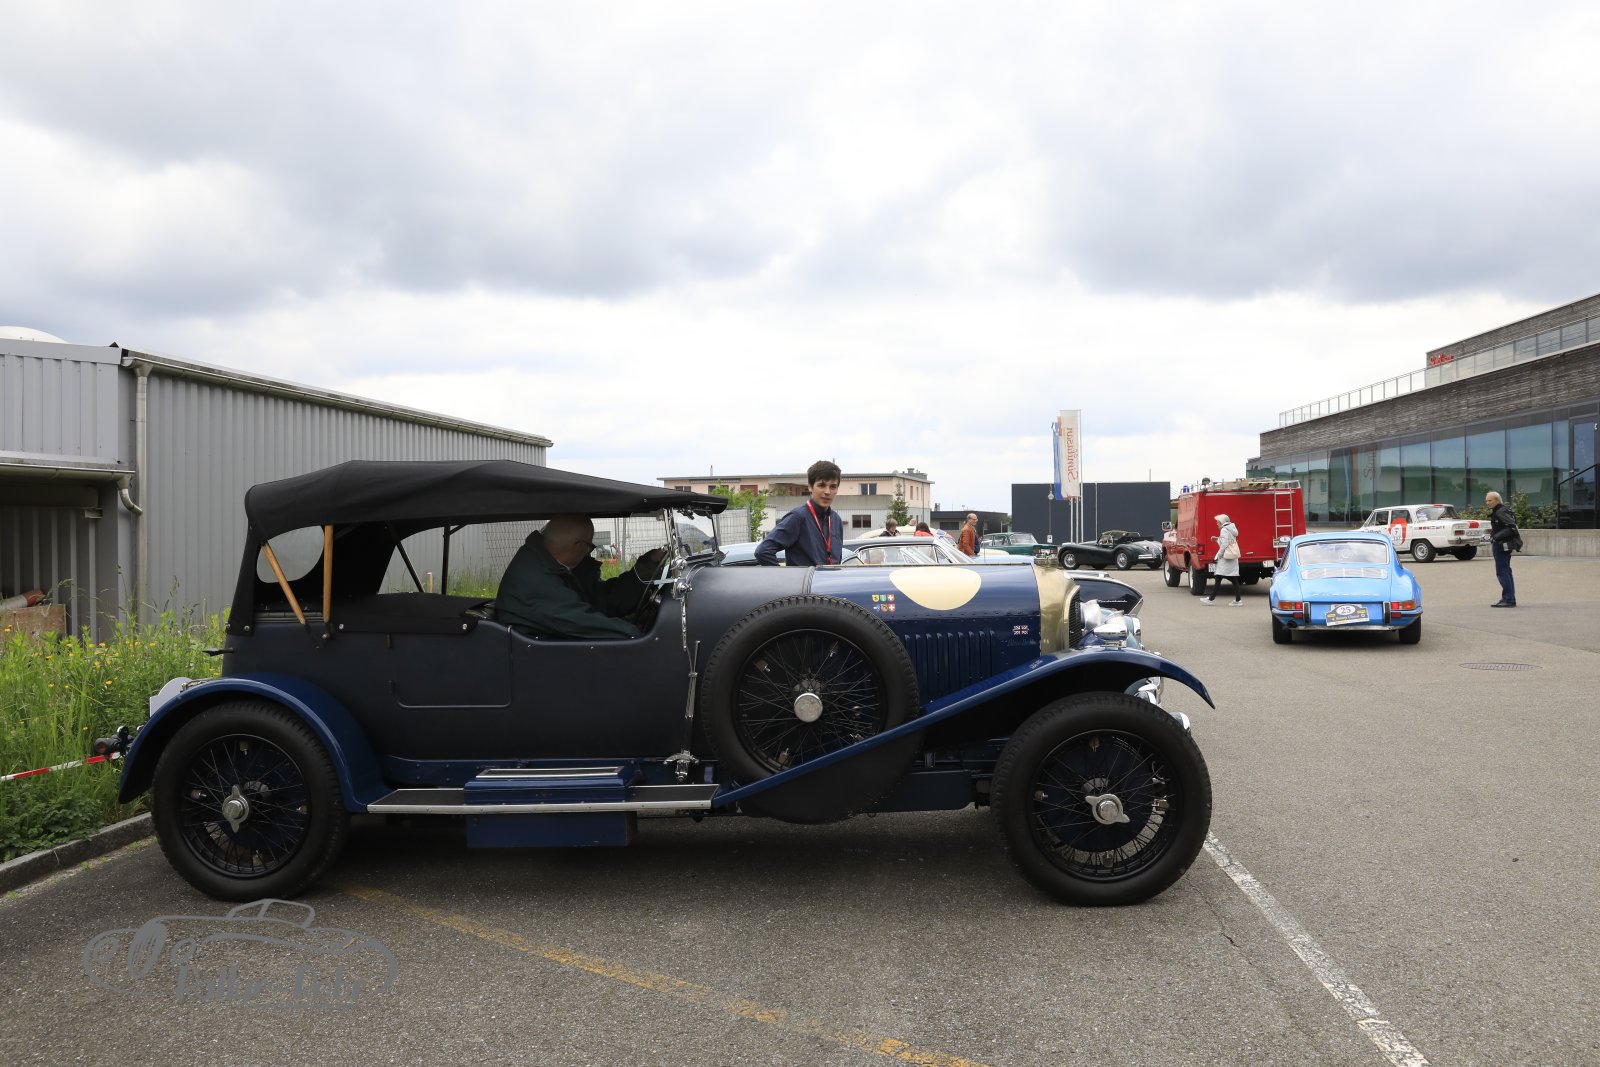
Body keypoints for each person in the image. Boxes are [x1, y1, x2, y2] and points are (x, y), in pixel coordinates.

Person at [496, 514, 663, 638]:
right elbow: (580, 621)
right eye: (589, 547)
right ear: (578, 546)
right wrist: (640, 635)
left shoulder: (555, 568)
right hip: (538, 658)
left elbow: (602, 598)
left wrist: (648, 567)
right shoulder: (536, 579)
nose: (588, 553)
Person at [755, 460, 845, 567]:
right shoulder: (798, 517)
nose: (827, 492)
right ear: (810, 487)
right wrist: (784, 576)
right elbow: (763, 551)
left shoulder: (836, 520)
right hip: (805, 578)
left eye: (833, 487)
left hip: (830, 578)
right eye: (821, 485)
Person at [1485, 490, 1518, 607]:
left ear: (1497, 500)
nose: (1488, 503)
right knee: (1506, 571)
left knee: (1503, 572)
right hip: (1502, 544)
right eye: (1486, 501)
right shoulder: (1500, 511)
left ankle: (1508, 600)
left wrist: (1495, 537)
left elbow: (1512, 528)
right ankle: (1508, 598)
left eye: (1490, 500)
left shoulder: (1501, 511)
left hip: (1502, 545)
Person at [1202, 513, 1242, 605]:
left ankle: (1211, 599)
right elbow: (1229, 541)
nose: (1217, 523)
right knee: (1232, 578)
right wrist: (1217, 539)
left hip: (1225, 558)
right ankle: (1238, 600)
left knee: (1219, 577)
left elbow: (1224, 544)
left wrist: (1218, 556)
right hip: (1232, 557)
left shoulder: (1224, 530)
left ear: (1222, 522)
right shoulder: (1231, 529)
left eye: (1218, 521)